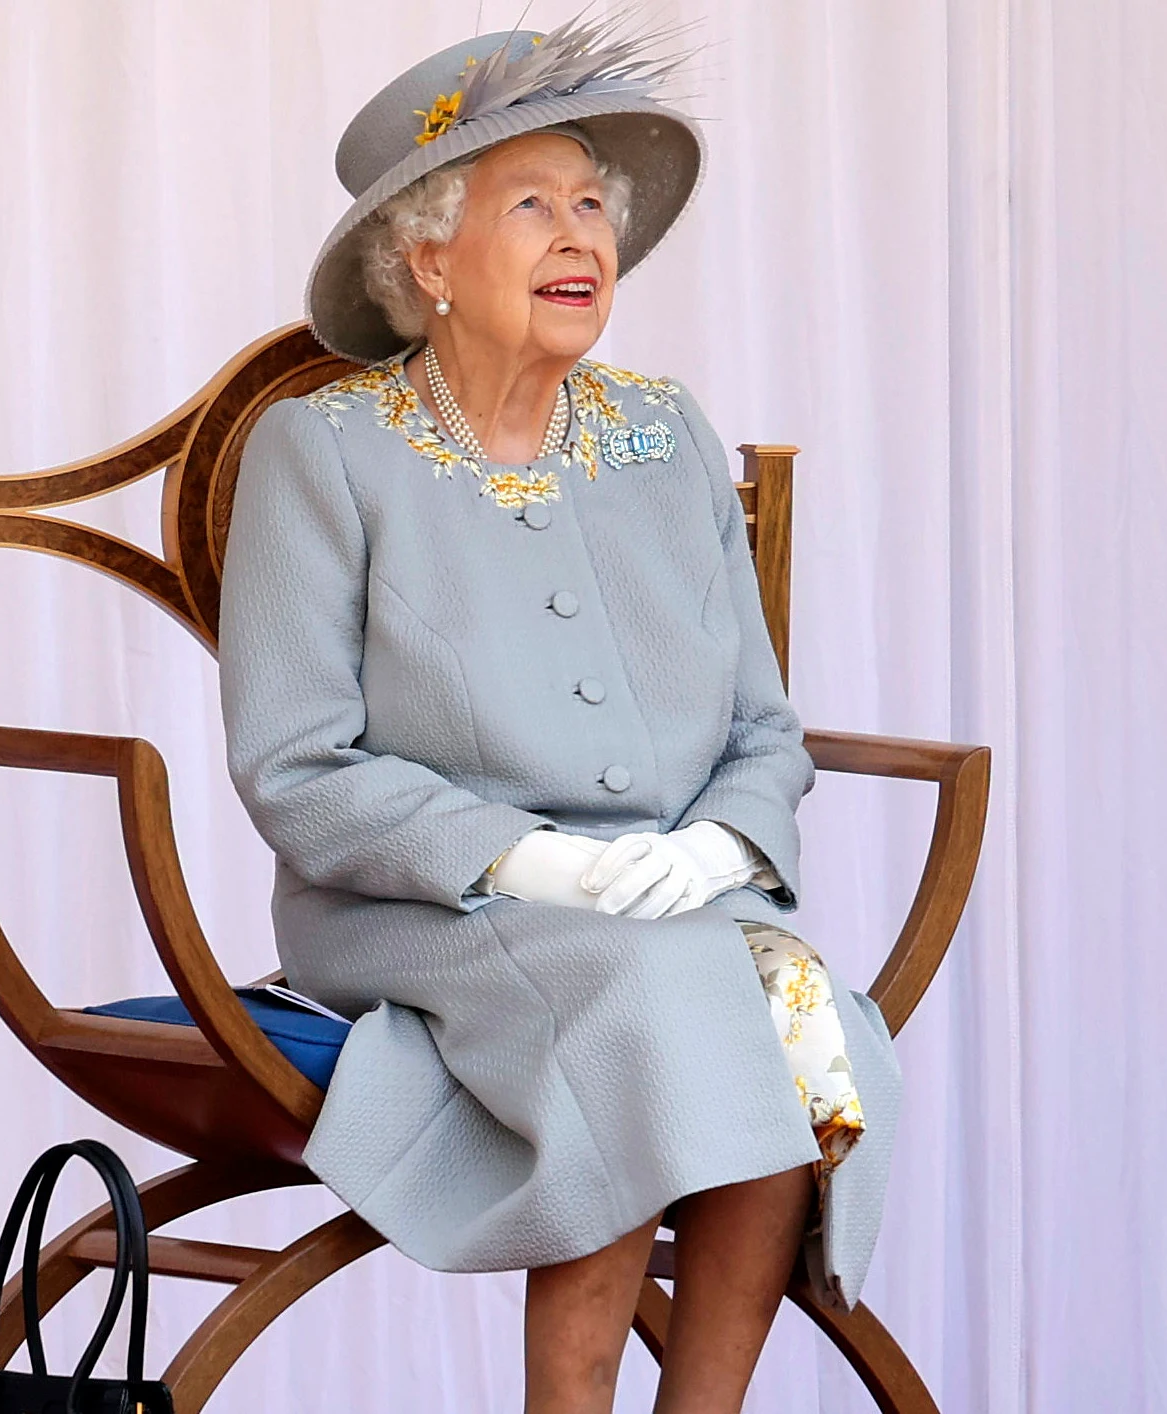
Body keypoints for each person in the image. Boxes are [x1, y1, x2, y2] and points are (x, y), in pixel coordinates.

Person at [218, 21, 898, 1414]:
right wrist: (526, 860)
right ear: (425, 261)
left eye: (591, 201)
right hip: (422, 907)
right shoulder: (323, 450)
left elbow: (764, 728)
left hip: (665, 903)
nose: (577, 232)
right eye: (528, 203)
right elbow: (293, 766)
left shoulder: (666, 433)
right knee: (651, 1000)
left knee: (782, 991)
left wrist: (716, 850)